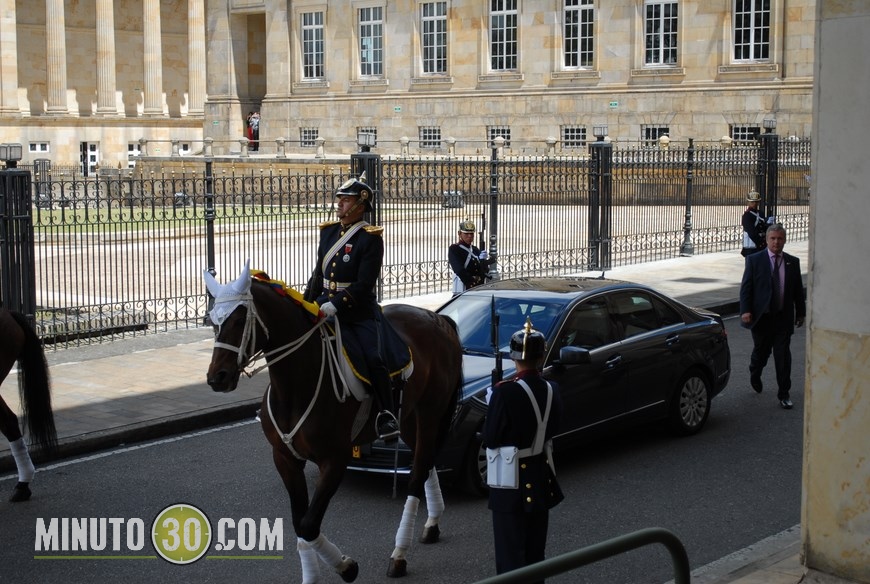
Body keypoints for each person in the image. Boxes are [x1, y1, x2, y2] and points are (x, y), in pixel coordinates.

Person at [303, 176, 399, 438]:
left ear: (360, 205)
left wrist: (336, 303)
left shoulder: (370, 238)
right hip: (324, 303)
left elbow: (364, 283)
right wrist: (305, 302)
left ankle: (386, 415)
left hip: (357, 311)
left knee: (373, 357)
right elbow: (318, 274)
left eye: (346, 200)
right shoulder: (329, 232)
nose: (340, 204)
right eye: (340, 199)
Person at [484, 318, 564, 581]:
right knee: (534, 556)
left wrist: (492, 405)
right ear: (541, 357)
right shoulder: (553, 389)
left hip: (511, 485)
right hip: (540, 478)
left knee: (510, 560)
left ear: (514, 357)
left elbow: (491, 439)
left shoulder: (504, 393)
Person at [739, 224, 806, 409]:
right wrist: (745, 310)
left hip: (783, 318)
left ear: (784, 240)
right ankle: (755, 371)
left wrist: (801, 312)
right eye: (773, 238)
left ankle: (784, 394)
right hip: (762, 318)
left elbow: (798, 291)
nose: (776, 242)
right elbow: (746, 288)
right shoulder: (754, 261)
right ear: (767, 240)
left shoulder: (793, 262)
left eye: (780, 238)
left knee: (783, 357)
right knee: (761, 353)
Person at [448, 218, 494, 295]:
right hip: (465, 288)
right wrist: (472, 284)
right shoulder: (454, 249)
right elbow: (459, 270)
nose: (469, 236)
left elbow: (484, 270)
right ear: (459, 233)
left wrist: (484, 261)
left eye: (471, 233)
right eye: (466, 234)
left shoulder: (475, 250)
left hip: (478, 288)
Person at [741, 191, 772, 257]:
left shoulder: (760, 213)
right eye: (752, 202)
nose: (754, 204)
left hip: (761, 247)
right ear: (748, 202)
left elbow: (763, 228)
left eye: (756, 202)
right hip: (751, 248)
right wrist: (761, 244)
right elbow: (751, 233)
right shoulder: (747, 216)